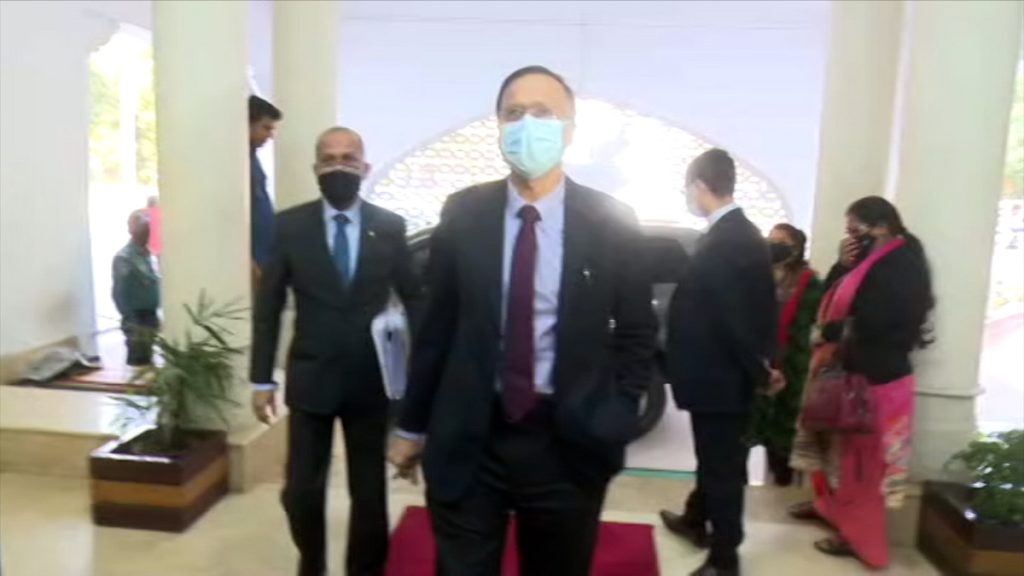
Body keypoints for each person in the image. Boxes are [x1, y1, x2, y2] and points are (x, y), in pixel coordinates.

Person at [388, 65, 657, 576]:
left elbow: (636, 332)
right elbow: (436, 329)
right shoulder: (464, 213)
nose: (527, 125)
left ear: (570, 131)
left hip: (567, 440)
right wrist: (411, 424)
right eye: (514, 113)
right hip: (472, 434)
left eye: (542, 113)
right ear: (498, 127)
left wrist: (617, 414)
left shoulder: (612, 223)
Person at [249, 127, 421, 576]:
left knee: (369, 493)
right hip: (312, 378)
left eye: (348, 158)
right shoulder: (290, 226)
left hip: (370, 380)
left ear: (364, 167)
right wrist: (261, 378)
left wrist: (417, 372)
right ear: (316, 168)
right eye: (329, 159)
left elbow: (414, 297)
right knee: (301, 492)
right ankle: (312, 562)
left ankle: (365, 569)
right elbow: (268, 307)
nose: (338, 167)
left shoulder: (389, 226)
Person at [789, 196, 933, 569]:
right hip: (849, 372)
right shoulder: (870, 261)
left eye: (856, 230)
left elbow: (879, 322)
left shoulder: (900, 265)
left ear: (883, 226)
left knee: (862, 466)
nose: (852, 237)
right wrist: (842, 263)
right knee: (834, 453)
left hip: (875, 378)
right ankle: (831, 509)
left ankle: (864, 541)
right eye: (848, 231)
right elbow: (833, 297)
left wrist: (828, 332)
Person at [659, 148, 782, 576]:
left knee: (724, 470)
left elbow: (736, 321)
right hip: (718, 375)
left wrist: (761, 371)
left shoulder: (730, 240)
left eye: (686, 189)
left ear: (699, 186)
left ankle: (725, 559)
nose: (687, 197)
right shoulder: (733, 234)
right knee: (713, 458)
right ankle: (695, 519)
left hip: (722, 378)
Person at [749, 224, 822, 486]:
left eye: (783, 242)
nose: (775, 246)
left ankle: (784, 482)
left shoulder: (809, 282)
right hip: (762, 361)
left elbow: (816, 323)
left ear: (797, 248)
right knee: (757, 423)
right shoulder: (758, 276)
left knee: (785, 427)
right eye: (771, 240)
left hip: (794, 364)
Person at [112, 210, 160, 366]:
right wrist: (130, 320)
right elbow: (119, 293)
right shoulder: (124, 258)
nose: (147, 234)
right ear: (133, 232)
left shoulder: (148, 255)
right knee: (138, 364)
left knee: (148, 360)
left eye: (148, 230)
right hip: (136, 318)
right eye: (144, 230)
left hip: (150, 314)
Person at [249, 95, 282, 286]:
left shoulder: (253, 159)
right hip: (253, 262)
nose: (270, 136)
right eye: (266, 128)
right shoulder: (238, 162)